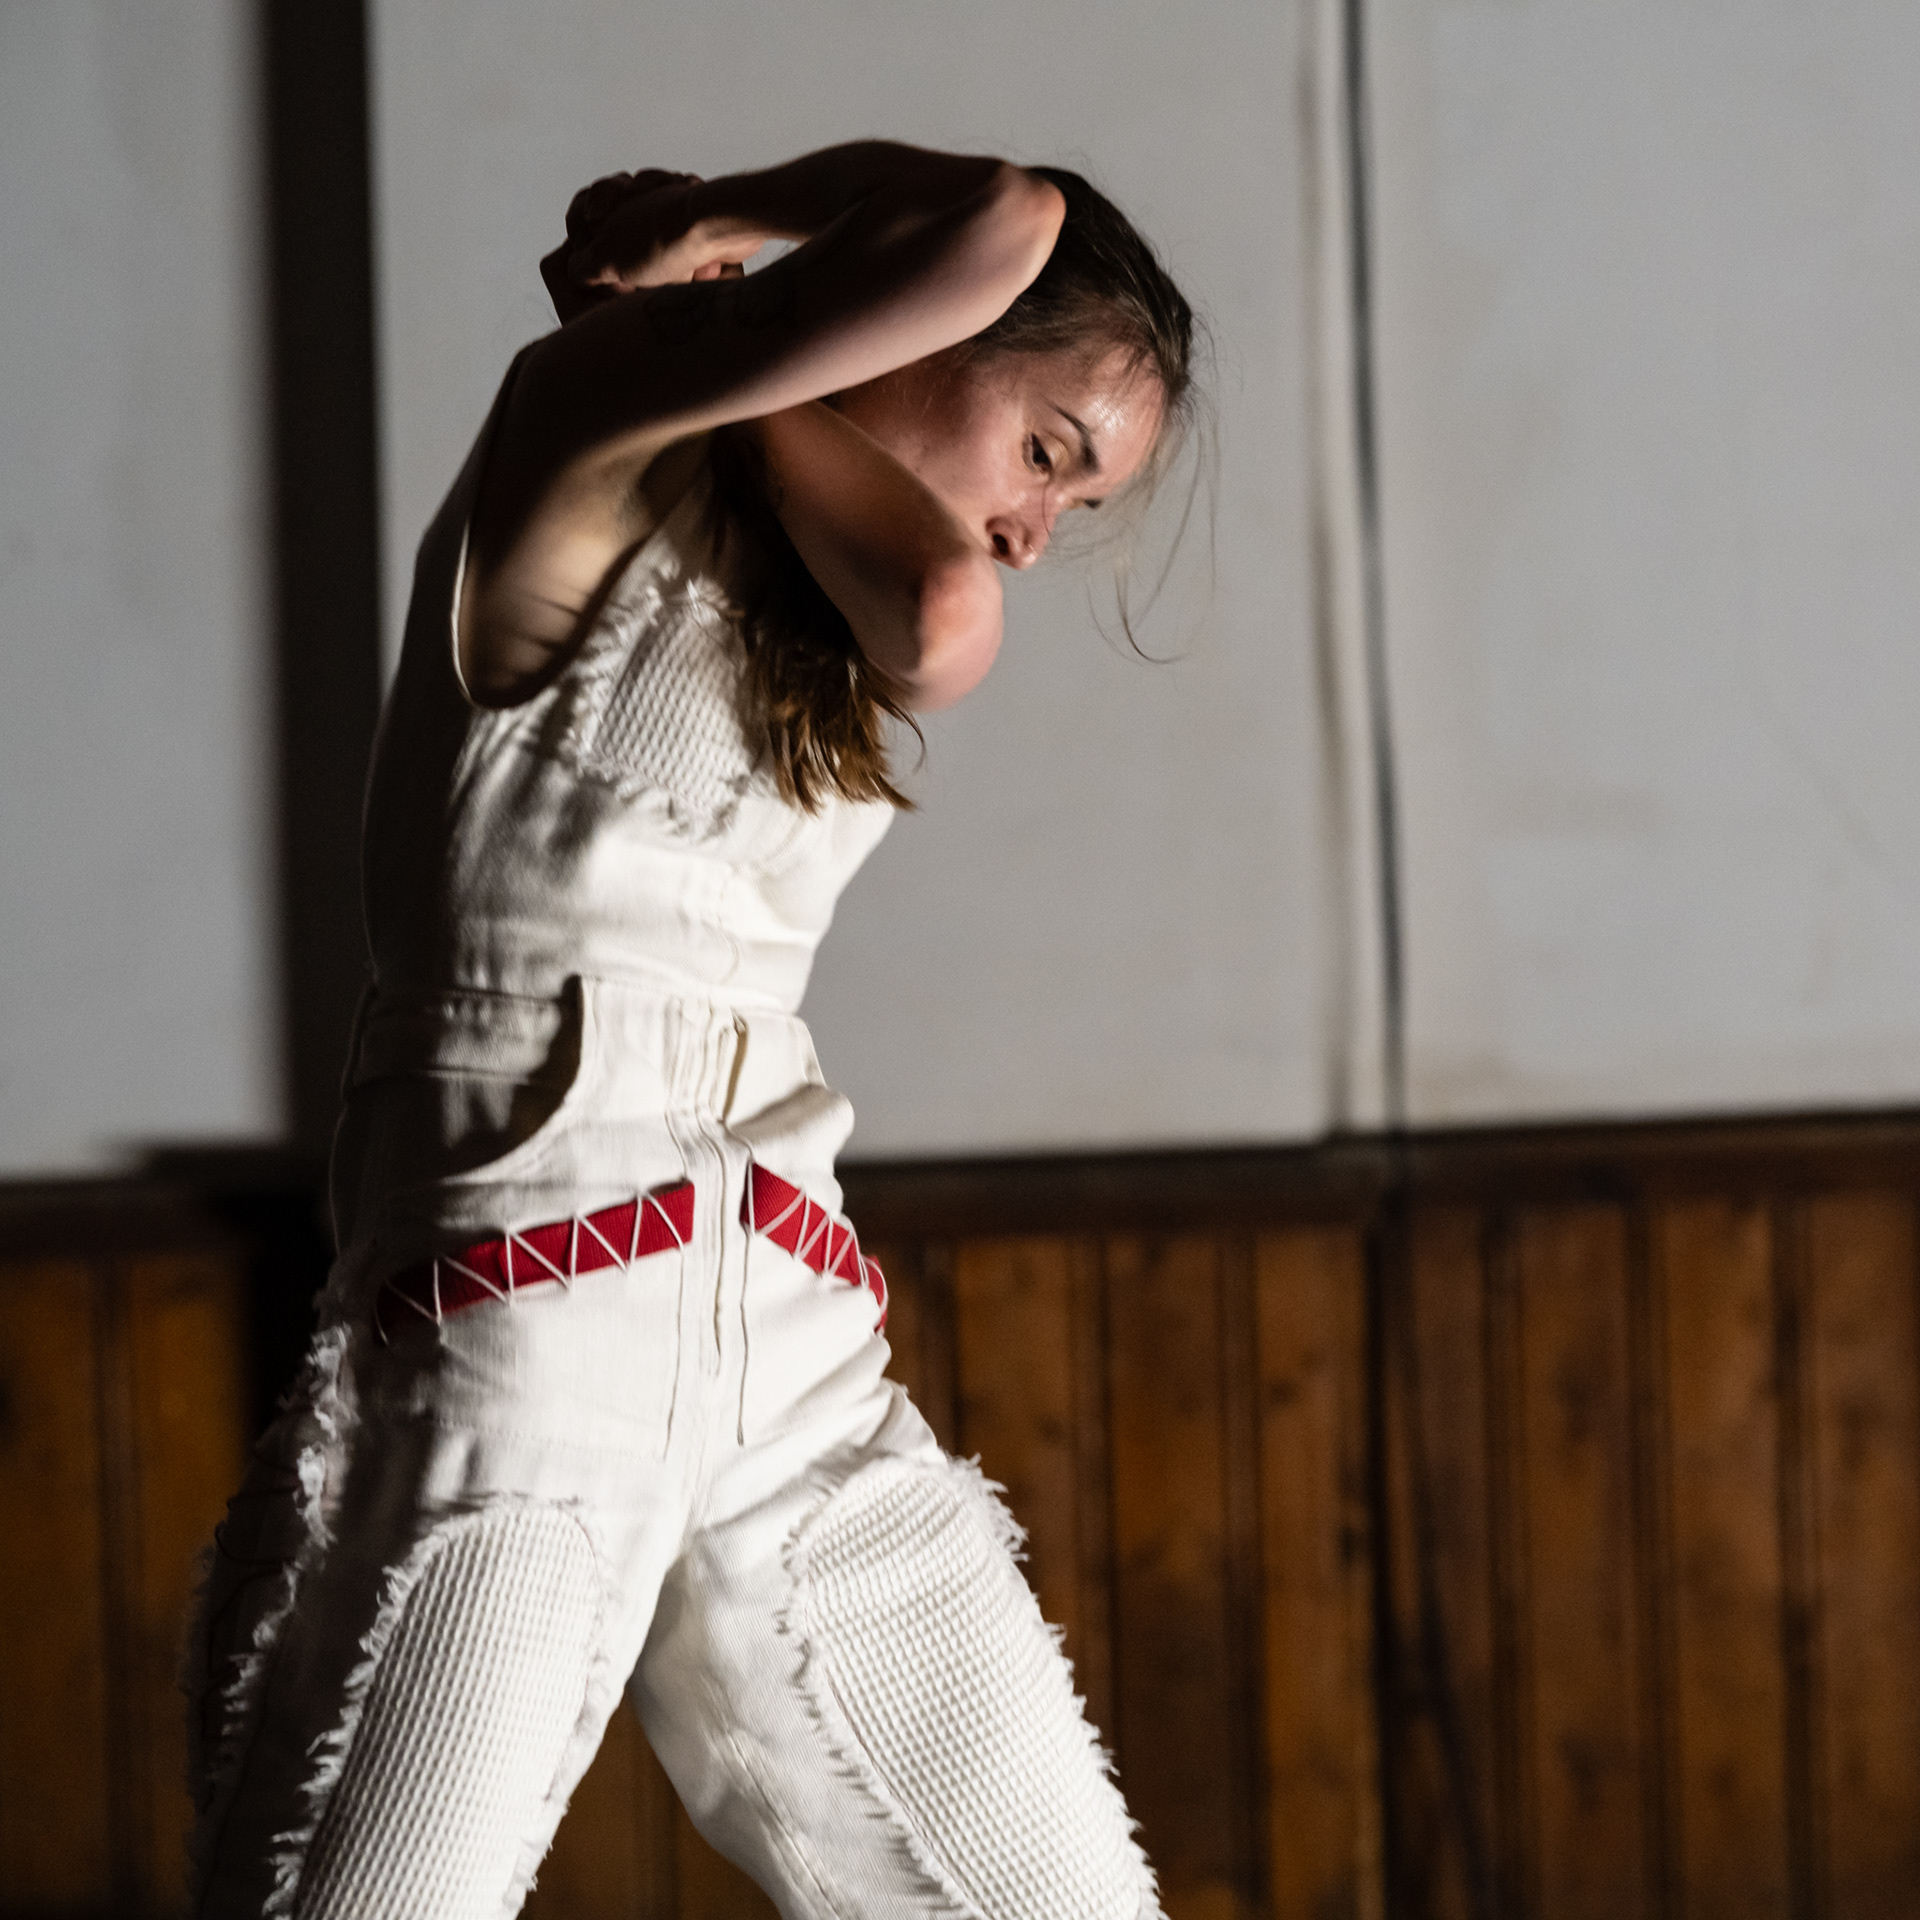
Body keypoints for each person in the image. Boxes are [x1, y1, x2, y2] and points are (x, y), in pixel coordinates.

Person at [187, 141, 1196, 1919]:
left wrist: (745, 346)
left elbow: (942, 613)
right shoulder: (585, 426)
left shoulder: (839, 592)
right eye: (1048, 450)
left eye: (1080, 504)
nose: (1035, 530)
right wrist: (714, 235)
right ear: (928, 328)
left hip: (791, 1328)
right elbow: (1009, 221)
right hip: (526, 1320)